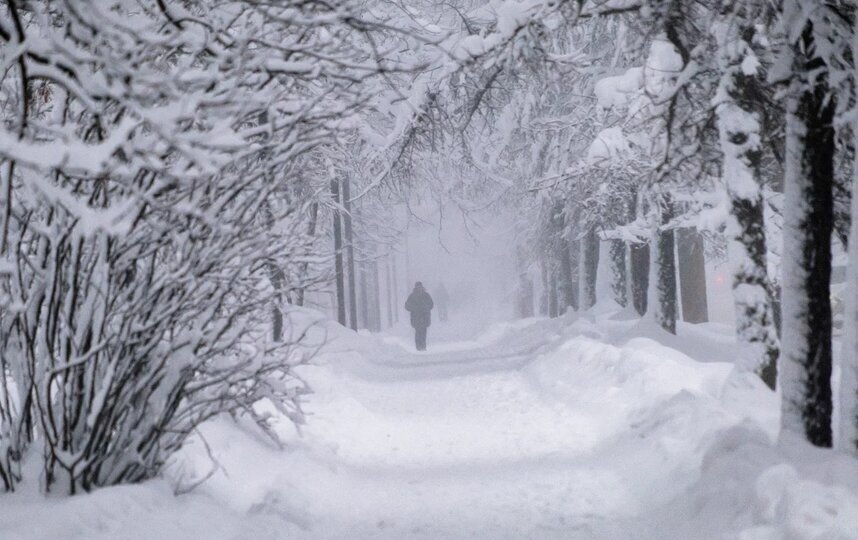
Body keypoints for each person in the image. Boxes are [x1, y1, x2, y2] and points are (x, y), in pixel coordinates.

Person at [405, 281, 434, 351]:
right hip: (416, 318)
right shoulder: (412, 296)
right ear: (415, 287)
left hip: (424, 317)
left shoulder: (426, 295)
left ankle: (423, 346)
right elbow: (406, 306)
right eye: (418, 286)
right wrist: (414, 308)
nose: (419, 288)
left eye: (420, 286)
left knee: (423, 332)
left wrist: (426, 307)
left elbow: (431, 304)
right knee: (418, 332)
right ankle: (418, 346)